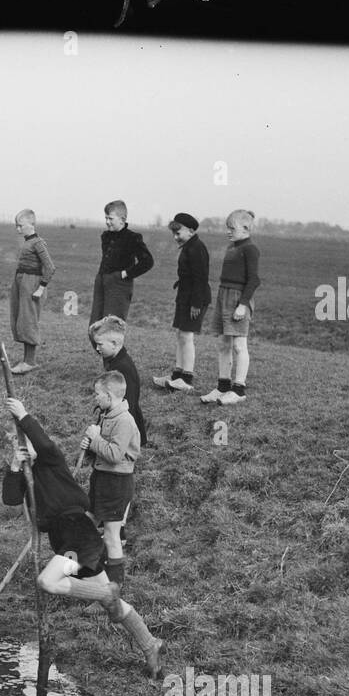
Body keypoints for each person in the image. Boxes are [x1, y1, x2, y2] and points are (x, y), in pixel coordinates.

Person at [1, 396, 162, 676]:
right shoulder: (25, 474)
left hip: (78, 536)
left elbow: (46, 444)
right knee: (113, 606)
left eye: (25, 443)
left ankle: (105, 590)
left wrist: (24, 415)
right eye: (17, 444)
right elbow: (11, 498)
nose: (23, 447)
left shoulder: (51, 461)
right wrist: (15, 465)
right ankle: (150, 645)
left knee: (47, 581)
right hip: (69, 540)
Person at [80, 372, 141, 585]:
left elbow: (115, 455)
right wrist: (89, 447)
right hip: (102, 479)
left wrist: (95, 440)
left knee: (111, 535)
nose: (95, 398)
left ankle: (113, 589)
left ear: (108, 394)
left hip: (116, 482)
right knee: (87, 524)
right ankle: (92, 573)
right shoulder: (107, 415)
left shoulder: (124, 421)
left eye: (97, 394)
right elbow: (102, 451)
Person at [200, 209, 261, 405]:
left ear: (245, 228)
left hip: (238, 299)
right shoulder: (232, 247)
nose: (228, 231)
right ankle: (223, 387)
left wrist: (242, 305)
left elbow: (254, 280)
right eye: (227, 228)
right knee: (223, 344)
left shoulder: (250, 249)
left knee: (239, 345)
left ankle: (239, 390)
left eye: (231, 228)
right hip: (223, 295)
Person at [153, 212, 211, 393]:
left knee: (187, 336)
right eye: (174, 234)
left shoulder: (197, 248)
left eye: (178, 233)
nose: (175, 237)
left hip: (194, 299)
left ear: (191, 231)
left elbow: (201, 278)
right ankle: (177, 375)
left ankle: (186, 378)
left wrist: (196, 304)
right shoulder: (188, 247)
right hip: (184, 297)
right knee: (180, 335)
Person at [90, 200, 154, 325]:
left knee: (110, 332)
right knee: (95, 329)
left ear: (122, 219)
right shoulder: (106, 236)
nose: (107, 222)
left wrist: (125, 274)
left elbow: (147, 261)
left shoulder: (132, 238)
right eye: (106, 218)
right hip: (101, 282)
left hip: (119, 286)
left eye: (111, 218)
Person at [88, 315, 148, 448]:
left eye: (100, 344)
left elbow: (129, 404)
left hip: (124, 431)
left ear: (114, 344)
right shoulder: (115, 361)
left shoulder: (122, 368)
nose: (97, 349)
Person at [8, 208, 56, 374]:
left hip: (32, 285)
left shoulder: (38, 243)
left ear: (31, 224)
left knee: (28, 322)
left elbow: (50, 267)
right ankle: (26, 360)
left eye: (20, 226)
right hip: (22, 283)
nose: (18, 229)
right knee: (21, 321)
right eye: (16, 226)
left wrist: (41, 288)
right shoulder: (27, 242)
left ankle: (30, 362)